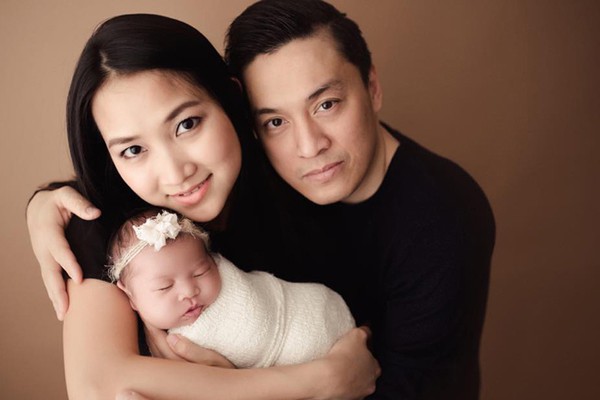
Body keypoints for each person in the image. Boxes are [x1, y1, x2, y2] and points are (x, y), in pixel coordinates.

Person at [28, 1, 495, 399]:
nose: (174, 172)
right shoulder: (115, 224)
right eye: (133, 150)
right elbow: (96, 386)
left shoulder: (306, 180)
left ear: (229, 104)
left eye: (187, 124)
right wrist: (312, 382)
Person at [109, 208, 355, 369]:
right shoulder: (152, 347)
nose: (190, 291)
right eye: (165, 287)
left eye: (200, 272)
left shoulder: (227, 278)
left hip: (309, 310)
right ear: (130, 295)